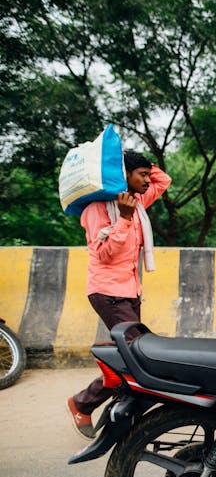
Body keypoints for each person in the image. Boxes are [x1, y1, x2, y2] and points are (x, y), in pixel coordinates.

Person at [67, 151, 171, 438]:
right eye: (142, 175)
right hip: (107, 291)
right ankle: (82, 403)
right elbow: (104, 253)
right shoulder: (97, 210)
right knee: (135, 356)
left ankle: (115, 409)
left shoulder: (137, 200)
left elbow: (164, 180)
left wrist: (123, 158)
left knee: (131, 355)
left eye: (147, 175)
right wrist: (123, 219)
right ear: (125, 175)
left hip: (130, 290)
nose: (148, 181)